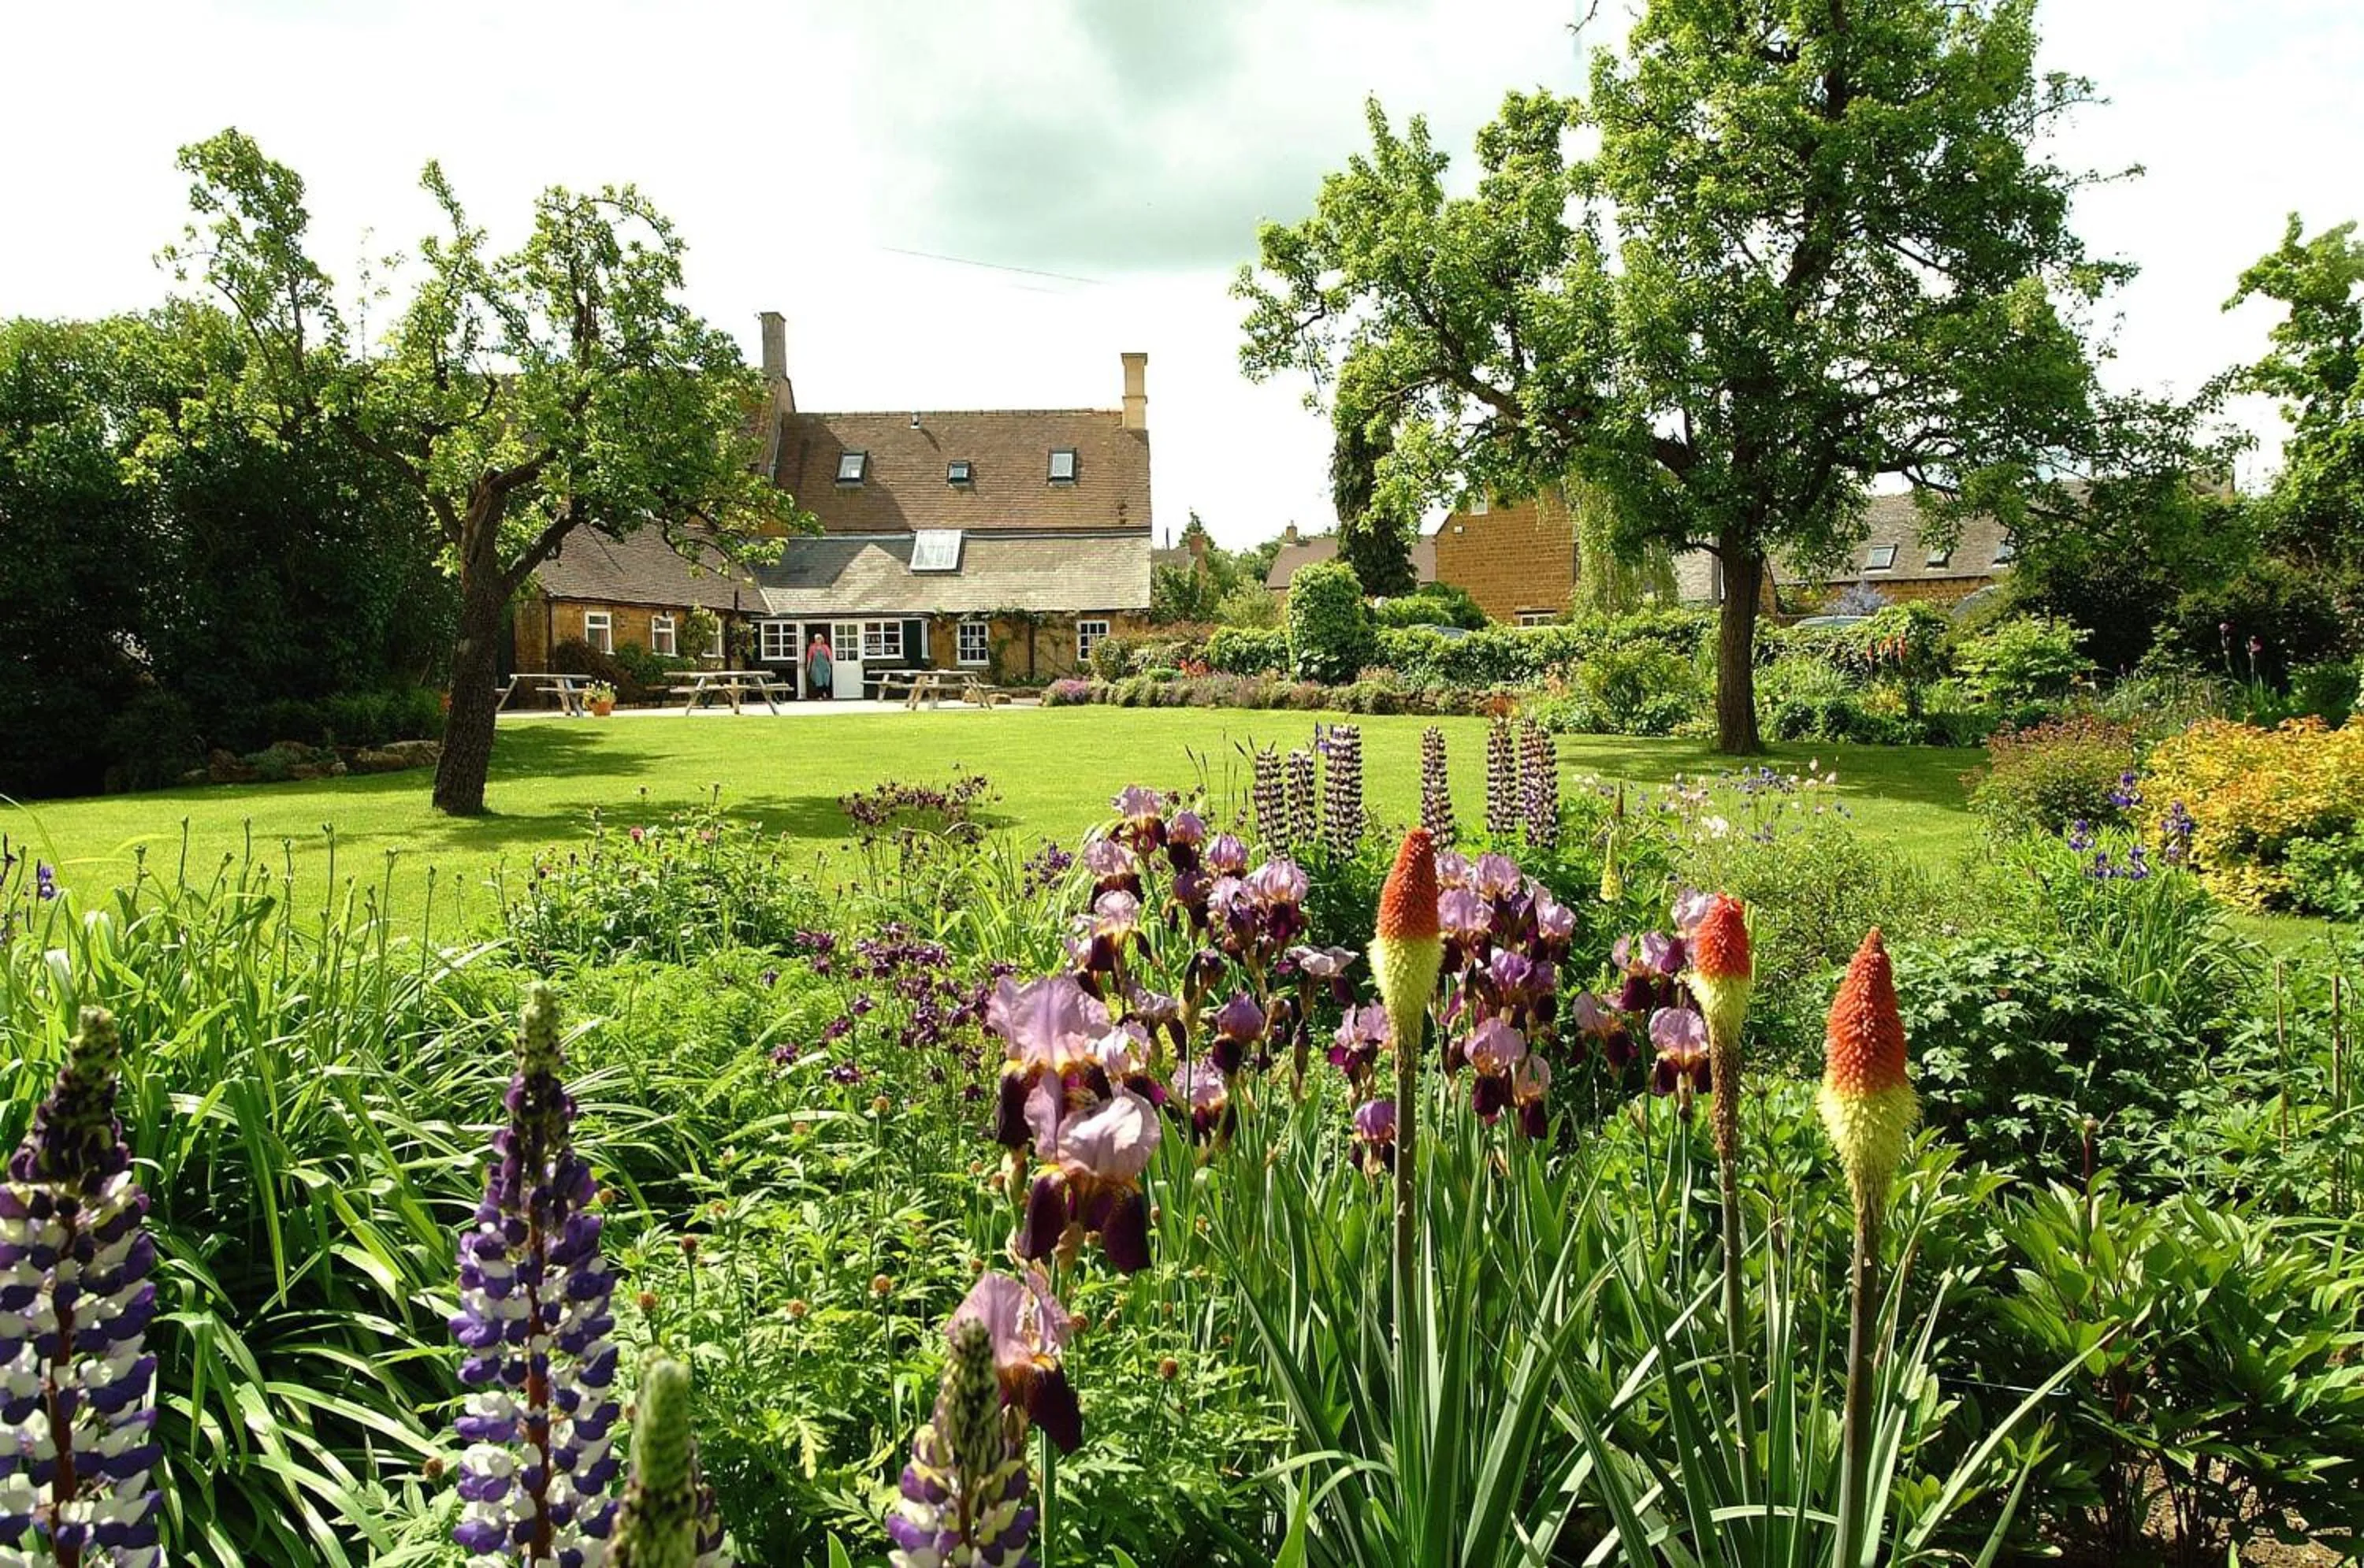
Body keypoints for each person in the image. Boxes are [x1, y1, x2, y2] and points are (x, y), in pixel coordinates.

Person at [805, 631, 834, 700]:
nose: (818, 640)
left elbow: (829, 656)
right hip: (816, 667)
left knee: (826, 680)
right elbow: (809, 658)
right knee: (818, 681)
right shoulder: (812, 647)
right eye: (817, 639)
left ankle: (825, 693)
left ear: (822, 639)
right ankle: (819, 695)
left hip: (825, 666)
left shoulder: (825, 647)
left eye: (819, 639)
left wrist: (830, 663)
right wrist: (808, 667)